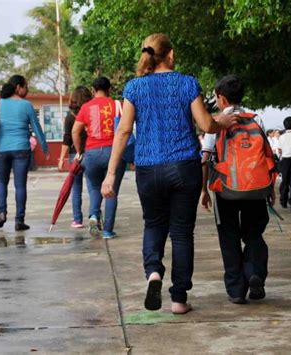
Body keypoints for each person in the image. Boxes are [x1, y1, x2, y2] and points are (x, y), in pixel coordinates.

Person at [101, 33, 236, 314]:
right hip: (184, 167)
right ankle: (178, 299)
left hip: (148, 169)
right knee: (182, 234)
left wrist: (111, 173)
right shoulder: (187, 83)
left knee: (153, 225)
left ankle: (153, 272)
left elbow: (124, 131)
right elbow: (205, 124)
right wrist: (221, 122)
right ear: (171, 54)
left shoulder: (134, 88)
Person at [200, 75, 275, 305]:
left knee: (229, 236)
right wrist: (270, 187)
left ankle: (236, 289)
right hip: (256, 187)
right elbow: (266, 154)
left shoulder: (217, 122)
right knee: (254, 232)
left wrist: (204, 189)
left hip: (226, 189)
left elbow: (206, 157)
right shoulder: (256, 118)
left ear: (221, 98)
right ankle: (254, 272)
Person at [0, 75, 49, 231]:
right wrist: (44, 147)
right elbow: (36, 128)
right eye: (25, 86)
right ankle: (19, 220)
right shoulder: (26, 105)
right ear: (18, 87)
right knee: (20, 185)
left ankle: (2, 213)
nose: (27, 90)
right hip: (21, 149)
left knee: (1, 182)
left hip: (0, 149)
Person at [72, 77, 126, 239]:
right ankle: (108, 231)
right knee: (111, 191)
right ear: (109, 89)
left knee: (95, 188)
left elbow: (75, 131)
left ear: (93, 89)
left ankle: (94, 216)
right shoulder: (118, 105)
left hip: (91, 153)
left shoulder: (86, 108)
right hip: (114, 152)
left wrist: (80, 151)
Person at [58, 86, 93, 228]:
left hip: (75, 155)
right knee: (93, 187)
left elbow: (67, 139)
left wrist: (61, 159)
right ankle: (95, 216)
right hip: (91, 153)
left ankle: (77, 219)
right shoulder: (90, 114)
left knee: (76, 188)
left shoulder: (70, 117)